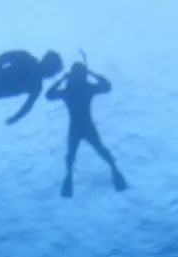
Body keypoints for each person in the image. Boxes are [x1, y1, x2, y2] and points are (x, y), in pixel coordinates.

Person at [45, 61, 128, 198]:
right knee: (98, 149)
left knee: (72, 154)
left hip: (75, 127)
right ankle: (114, 169)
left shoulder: (69, 91)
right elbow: (106, 87)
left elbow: (49, 95)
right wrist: (91, 74)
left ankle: (70, 177)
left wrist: (63, 79)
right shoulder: (86, 88)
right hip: (87, 126)